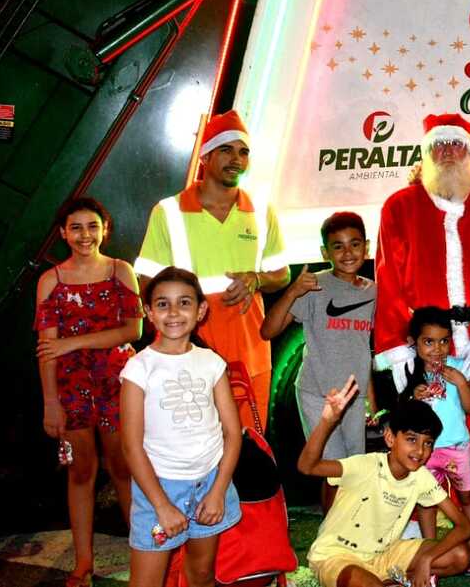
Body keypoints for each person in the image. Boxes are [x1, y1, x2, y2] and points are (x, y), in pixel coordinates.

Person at [373, 113, 470, 551]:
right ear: (427, 155)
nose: (448, 153)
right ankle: (421, 517)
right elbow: (390, 279)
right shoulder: (400, 207)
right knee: (424, 429)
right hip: (425, 343)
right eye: (439, 147)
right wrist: (399, 350)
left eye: (456, 145)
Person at [135, 110, 289, 429]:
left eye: (243, 151)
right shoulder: (169, 211)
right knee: (195, 439)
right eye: (226, 150)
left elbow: (282, 275)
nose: (236, 159)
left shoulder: (261, 210)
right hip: (190, 349)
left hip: (251, 350)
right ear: (205, 156)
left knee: (251, 446)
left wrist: (256, 279)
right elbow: (147, 281)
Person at [36, 197, 143, 587]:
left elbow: (134, 331)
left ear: (105, 229)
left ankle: (143, 553)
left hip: (118, 382)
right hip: (71, 388)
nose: (85, 235)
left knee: (124, 468)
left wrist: (74, 343)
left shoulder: (121, 271)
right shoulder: (51, 281)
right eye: (76, 227)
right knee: (81, 472)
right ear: (63, 233)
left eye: (92, 226)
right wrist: (50, 404)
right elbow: (47, 351)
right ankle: (83, 563)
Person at [120, 267, 242, 587]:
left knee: (201, 574)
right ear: (148, 312)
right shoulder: (139, 368)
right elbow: (131, 446)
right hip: (157, 486)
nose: (174, 312)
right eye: (162, 304)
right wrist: (161, 504)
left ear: (201, 310)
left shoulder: (211, 363)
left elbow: (232, 433)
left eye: (184, 302)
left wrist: (217, 492)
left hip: (209, 484)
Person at [260, 211, 376, 513]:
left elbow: (365, 350)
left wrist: (370, 401)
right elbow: (267, 330)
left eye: (354, 244)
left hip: (353, 397)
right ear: (325, 252)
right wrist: (293, 291)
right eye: (337, 246)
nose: (347, 253)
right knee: (334, 471)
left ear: (366, 247)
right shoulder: (314, 287)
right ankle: (330, 537)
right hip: (317, 394)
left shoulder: (375, 292)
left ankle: (349, 532)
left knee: (355, 468)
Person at [299, 387, 470, 587]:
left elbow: (465, 526)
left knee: (460, 555)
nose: (420, 450)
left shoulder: (420, 476)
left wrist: (426, 559)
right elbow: (307, 467)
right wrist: (327, 421)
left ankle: (391, 580)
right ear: (390, 438)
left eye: (428, 443)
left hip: (384, 555)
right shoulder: (365, 465)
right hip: (336, 555)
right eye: (411, 439)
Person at [400, 308, 470, 575]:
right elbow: (403, 416)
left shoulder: (457, 367)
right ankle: (430, 549)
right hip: (425, 452)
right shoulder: (410, 371)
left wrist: (461, 383)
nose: (437, 349)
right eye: (429, 342)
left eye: (444, 341)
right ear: (415, 342)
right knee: (427, 500)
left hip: (458, 446)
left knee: (468, 496)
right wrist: (413, 397)